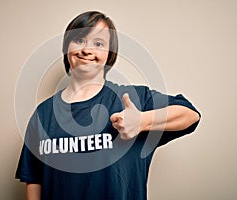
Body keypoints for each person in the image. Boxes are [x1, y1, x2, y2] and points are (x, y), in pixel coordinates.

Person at [15, 11, 200, 200]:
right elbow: (34, 179)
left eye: (98, 44)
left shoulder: (134, 99)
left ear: (109, 54)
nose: (87, 50)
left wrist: (142, 121)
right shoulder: (43, 114)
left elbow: (191, 115)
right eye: (79, 40)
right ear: (66, 47)